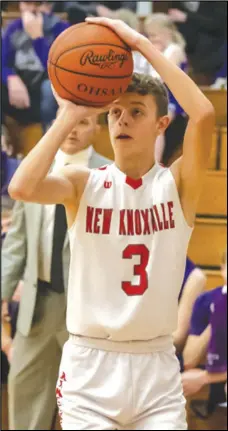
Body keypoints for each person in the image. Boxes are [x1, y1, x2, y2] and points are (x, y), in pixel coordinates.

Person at [8, 17, 215, 430]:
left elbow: (205, 113)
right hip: (90, 363)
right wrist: (70, 113)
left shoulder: (177, 186)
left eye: (136, 112)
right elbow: (21, 187)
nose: (122, 120)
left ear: (161, 124)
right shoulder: (83, 183)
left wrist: (140, 44)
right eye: (115, 112)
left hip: (155, 365)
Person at [2, 114, 110, 431]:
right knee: (25, 399)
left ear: (97, 129)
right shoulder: (34, 172)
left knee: (92, 407)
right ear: (53, 125)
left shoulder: (109, 174)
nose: (74, 129)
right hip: (39, 303)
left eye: (84, 122)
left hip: (89, 309)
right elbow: (16, 243)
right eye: (68, 121)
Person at [2, 1, 69, 131]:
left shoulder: (61, 28)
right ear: (20, 5)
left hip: (46, 92)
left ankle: (49, 140)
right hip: (19, 92)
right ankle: (3, 142)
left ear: (48, 6)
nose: (32, 8)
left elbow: (57, 70)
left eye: (37, 3)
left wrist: (37, 37)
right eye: (27, 3)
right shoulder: (13, 28)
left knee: (48, 89)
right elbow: (3, 63)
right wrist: (11, 77)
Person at [182, 251, 227, 415]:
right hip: (216, 396)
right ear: (223, 269)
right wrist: (218, 316)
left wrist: (205, 377)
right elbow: (189, 360)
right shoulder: (207, 301)